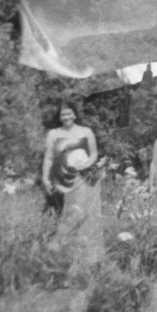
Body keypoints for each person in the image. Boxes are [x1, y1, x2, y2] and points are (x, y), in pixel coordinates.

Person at [42, 101, 103, 273]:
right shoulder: (53, 134)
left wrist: (85, 164)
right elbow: (48, 157)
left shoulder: (86, 132)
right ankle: (61, 261)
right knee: (63, 217)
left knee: (82, 216)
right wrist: (45, 178)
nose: (66, 117)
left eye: (69, 114)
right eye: (63, 115)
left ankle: (85, 261)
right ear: (59, 118)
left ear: (75, 115)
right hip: (60, 181)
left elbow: (94, 154)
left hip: (82, 180)